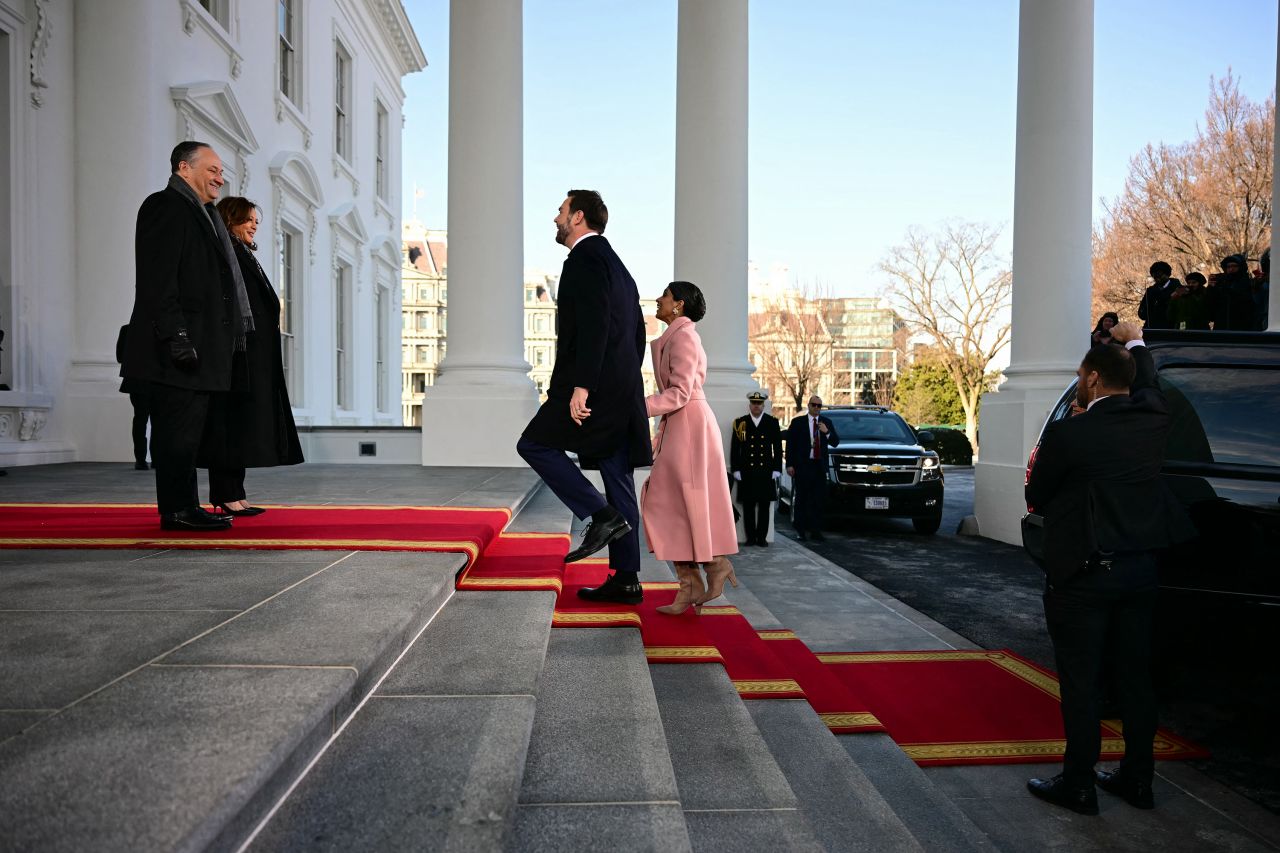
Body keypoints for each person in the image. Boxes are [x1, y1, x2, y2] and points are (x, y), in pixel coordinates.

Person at [1025, 321, 1190, 815]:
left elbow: (1038, 496)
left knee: (1082, 683)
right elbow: (1150, 384)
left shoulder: (1069, 433)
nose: (1078, 380)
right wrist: (1136, 341)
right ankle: (1138, 780)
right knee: (1137, 680)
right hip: (1141, 573)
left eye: (1081, 374)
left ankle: (1079, 784)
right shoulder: (1154, 417)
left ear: (1093, 379)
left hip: (1084, 576)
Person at [517, 190, 652, 604]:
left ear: (577, 217)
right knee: (617, 476)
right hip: (621, 388)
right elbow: (637, 334)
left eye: (560, 210)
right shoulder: (618, 266)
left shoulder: (584, 259)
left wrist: (583, 386)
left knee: (535, 445)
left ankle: (601, 516)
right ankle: (627, 579)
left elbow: (593, 325)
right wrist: (622, 380)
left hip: (591, 386)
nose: (555, 217)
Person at [119, 141, 242, 532]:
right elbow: (158, 281)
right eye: (212, 170)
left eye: (221, 172)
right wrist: (178, 337)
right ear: (183, 169)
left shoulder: (202, 213)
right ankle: (177, 510)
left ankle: (184, 505)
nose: (220, 178)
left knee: (187, 434)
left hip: (199, 346)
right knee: (175, 433)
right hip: (175, 348)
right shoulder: (165, 206)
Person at [197, 197, 303, 515]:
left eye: (256, 220)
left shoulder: (243, 253)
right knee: (229, 422)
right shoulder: (227, 253)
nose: (253, 225)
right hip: (235, 354)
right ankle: (225, 493)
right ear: (230, 220)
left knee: (240, 423)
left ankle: (236, 492)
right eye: (247, 220)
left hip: (252, 355)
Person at [640, 282, 739, 615]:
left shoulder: (684, 337)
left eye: (664, 296)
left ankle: (707, 570)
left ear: (678, 304)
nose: (658, 299)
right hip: (682, 423)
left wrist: (637, 407)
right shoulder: (678, 335)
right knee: (675, 502)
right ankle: (699, 577)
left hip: (688, 423)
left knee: (674, 501)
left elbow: (681, 391)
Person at [730, 390, 783, 546]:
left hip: (766, 471)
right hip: (747, 471)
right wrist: (736, 469)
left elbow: (778, 448)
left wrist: (777, 468)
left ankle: (762, 538)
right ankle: (751, 538)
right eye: (754, 403)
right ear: (750, 405)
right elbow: (735, 448)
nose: (756, 406)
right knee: (748, 506)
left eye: (759, 403)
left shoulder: (772, 422)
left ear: (763, 405)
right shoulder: (741, 423)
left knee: (765, 506)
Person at [785, 396, 840, 541]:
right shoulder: (798, 423)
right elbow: (790, 445)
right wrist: (789, 464)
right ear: (808, 405)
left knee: (818, 499)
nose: (816, 408)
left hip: (819, 466)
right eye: (814, 405)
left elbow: (835, 442)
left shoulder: (826, 422)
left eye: (819, 406)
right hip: (803, 465)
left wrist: (827, 432)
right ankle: (800, 530)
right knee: (801, 498)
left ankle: (816, 531)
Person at [115, 324, 150, 470]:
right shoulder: (158, 328)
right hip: (156, 380)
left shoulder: (127, 329)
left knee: (140, 419)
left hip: (136, 380)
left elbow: (120, 357)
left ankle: (140, 459)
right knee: (158, 420)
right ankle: (157, 459)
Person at [1207, 254, 1255, 331]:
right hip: (1222, 325)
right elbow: (1211, 304)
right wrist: (1211, 288)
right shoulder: (1221, 281)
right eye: (1228, 267)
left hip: (1241, 326)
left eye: (1234, 266)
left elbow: (1245, 300)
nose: (1231, 269)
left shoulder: (1248, 282)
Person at [1137, 261, 1180, 330]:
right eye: (1154, 276)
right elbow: (1141, 313)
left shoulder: (1178, 289)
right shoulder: (1150, 291)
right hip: (1152, 329)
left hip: (1171, 330)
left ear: (1167, 274)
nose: (1157, 278)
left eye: (1160, 275)